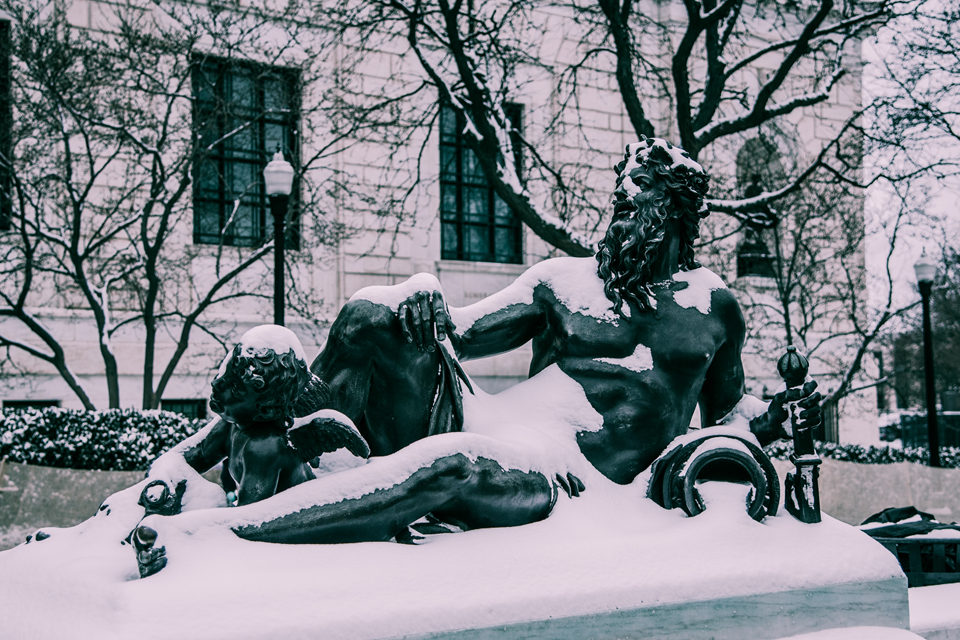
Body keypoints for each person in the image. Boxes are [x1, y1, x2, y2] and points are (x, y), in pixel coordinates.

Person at [131, 138, 820, 576]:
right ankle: (253, 465)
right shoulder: (561, 282)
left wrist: (776, 416)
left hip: (568, 479)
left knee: (450, 464)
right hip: (497, 421)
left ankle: (220, 534)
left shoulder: (714, 305)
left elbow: (728, 412)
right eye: (616, 201)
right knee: (373, 313)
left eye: (634, 203)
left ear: (674, 212)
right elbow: (457, 331)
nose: (619, 214)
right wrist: (422, 296)